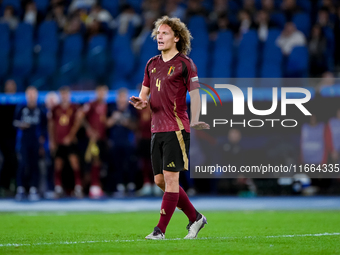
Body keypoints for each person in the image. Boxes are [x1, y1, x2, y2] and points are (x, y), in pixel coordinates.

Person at [129, 16, 210, 240]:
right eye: (158, 33)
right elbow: (144, 95)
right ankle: (195, 218)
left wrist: (194, 119)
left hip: (176, 128)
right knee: (160, 181)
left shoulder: (185, 64)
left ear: (176, 37)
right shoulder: (151, 64)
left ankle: (159, 230)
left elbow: (195, 94)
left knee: (171, 179)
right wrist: (141, 102)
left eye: (164, 33)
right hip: (156, 130)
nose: (159, 37)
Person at [48, 86, 83, 198]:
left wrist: (71, 136)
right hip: (59, 141)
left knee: (74, 162)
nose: (64, 96)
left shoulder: (74, 107)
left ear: (69, 95)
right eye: (62, 94)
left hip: (70, 141)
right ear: (60, 95)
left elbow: (78, 122)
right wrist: (52, 141)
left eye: (66, 94)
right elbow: (51, 124)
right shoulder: (55, 108)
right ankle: (58, 188)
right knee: (58, 164)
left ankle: (78, 187)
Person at [14, 86, 47, 201]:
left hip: (35, 140)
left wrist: (42, 141)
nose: (32, 96)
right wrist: (21, 125)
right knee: (23, 164)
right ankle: (21, 189)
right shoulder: (21, 108)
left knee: (35, 164)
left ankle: (33, 189)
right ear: (27, 95)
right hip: (23, 140)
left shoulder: (40, 109)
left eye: (34, 94)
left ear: (37, 96)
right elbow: (14, 122)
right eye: (30, 94)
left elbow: (44, 126)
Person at [79, 84, 108, 199]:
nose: (102, 94)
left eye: (104, 92)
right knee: (94, 161)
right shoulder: (91, 104)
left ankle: (95, 186)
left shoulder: (105, 105)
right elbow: (80, 116)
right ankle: (93, 187)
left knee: (99, 162)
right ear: (97, 92)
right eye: (100, 92)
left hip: (101, 138)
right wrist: (90, 130)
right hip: (92, 140)